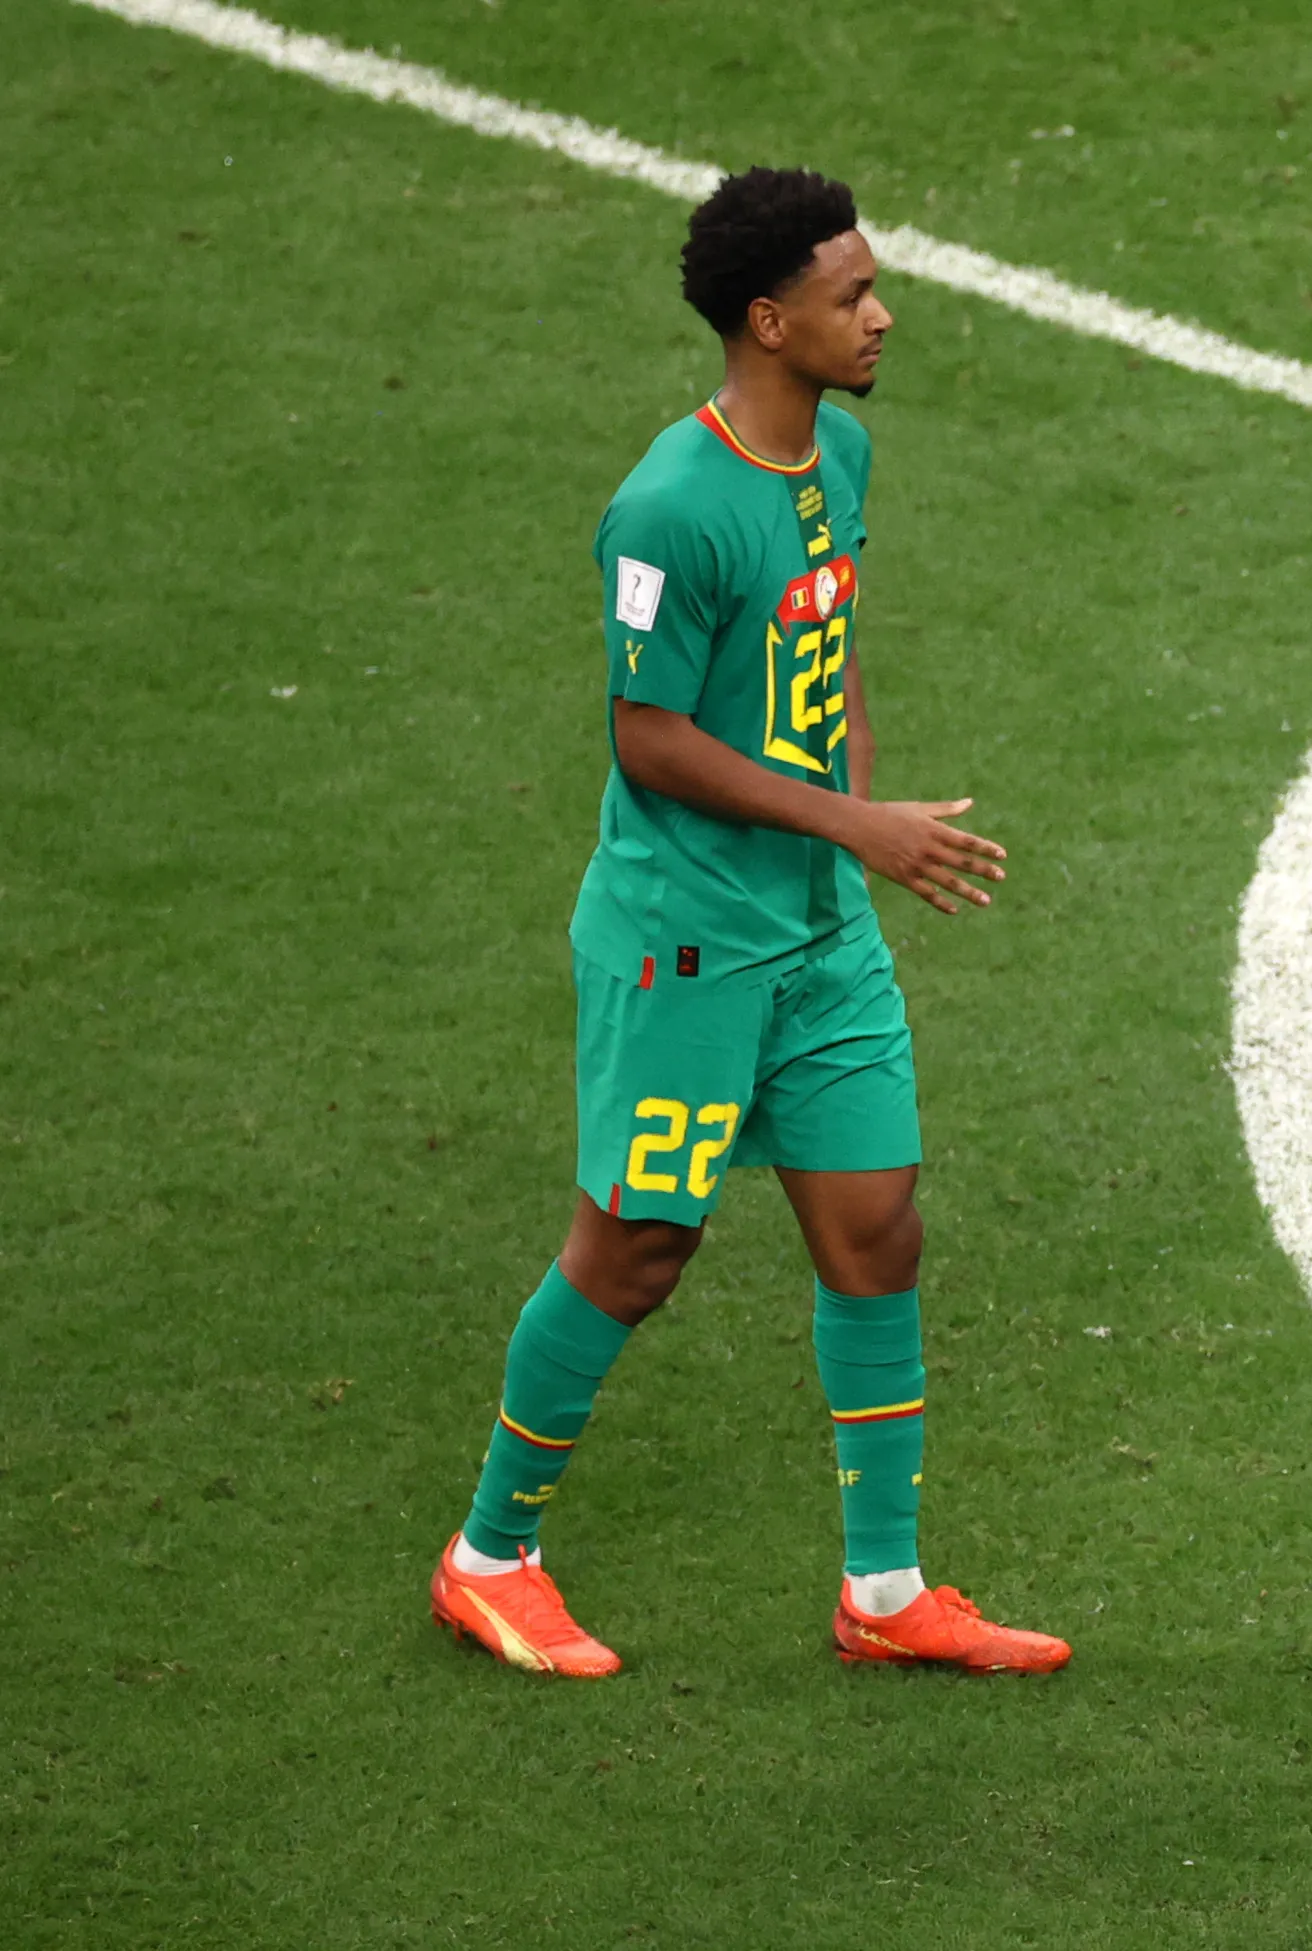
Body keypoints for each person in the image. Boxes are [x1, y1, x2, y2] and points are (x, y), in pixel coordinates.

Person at [426, 166, 1067, 1680]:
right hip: (686, 948)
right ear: (767, 319)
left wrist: (845, 852)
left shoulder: (837, 451)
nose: (881, 312)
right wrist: (861, 823)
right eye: (852, 294)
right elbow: (648, 734)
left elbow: (822, 654)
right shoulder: (665, 507)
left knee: (875, 1229)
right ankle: (488, 1554)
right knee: (638, 1244)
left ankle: (887, 1589)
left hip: (816, 939)